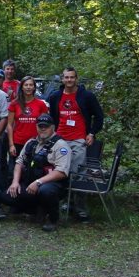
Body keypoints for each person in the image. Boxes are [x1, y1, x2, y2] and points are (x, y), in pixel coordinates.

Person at [47, 66, 104, 221]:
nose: (69, 80)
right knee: (60, 171)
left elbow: (99, 117)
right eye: (66, 77)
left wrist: (91, 133)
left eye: (72, 77)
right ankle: (63, 203)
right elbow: (51, 118)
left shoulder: (86, 96)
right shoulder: (55, 96)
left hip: (79, 140)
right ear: (62, 79)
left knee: (78, 173)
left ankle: (79, 207)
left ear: (76, 78)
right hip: (60, 140)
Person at [3, 114, 70, 232]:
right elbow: (19, 162)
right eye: (40, 126)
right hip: (31, 183)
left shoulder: (61, 145)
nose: (43, 128)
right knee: (6, 196)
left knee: (45, 191)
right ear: (37, 127)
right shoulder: (31, 142)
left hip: (53, 186)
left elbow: (61, 172)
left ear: (53, 127)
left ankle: (53, 219)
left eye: (46, 126)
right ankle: (36, 209)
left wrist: (38, 182)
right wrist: (15, 182)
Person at [7, 76, 49, 173]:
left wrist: (44, 141)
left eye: (31, 85)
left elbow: (46, 125)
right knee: (13, 171)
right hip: (18, 142)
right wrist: (11, 144)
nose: (28, 87)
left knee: (33, 170)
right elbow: (9, 124)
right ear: (22, 87)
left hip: (36, 143)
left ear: (34, 87)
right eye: (26, 85)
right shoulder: (14, 103)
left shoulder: (41, 104)